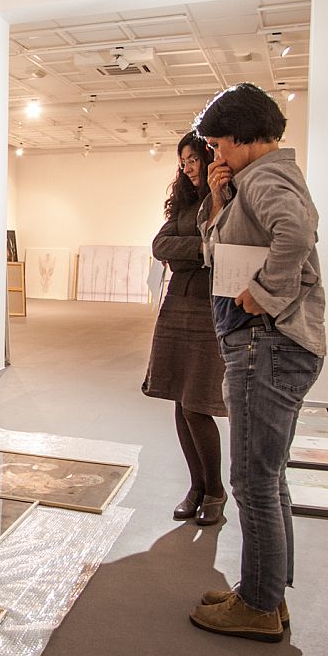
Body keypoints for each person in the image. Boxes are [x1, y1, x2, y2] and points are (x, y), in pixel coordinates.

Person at [188, 83, 325, 643]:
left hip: (266, 344)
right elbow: (219, 247)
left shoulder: (266, 178)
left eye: (219, 143)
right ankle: (266, 592)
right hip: (267, 345)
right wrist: (220, 199)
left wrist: (263, 294)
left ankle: (259, 606)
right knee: (268, 477)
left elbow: (296, 232)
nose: (216, 154)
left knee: (253, 480)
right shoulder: (253, 181)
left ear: (243, 138)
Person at [142, 133, 227, 526]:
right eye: (184, 162)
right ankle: (196, 487)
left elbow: (223, 247)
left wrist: (193, 250)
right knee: (179, 401)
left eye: (193, 159)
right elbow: (160, 245)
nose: (189, 167)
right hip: (177, 304)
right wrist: (198, 250)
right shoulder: (183, 203)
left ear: (209, 157)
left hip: (209, 309)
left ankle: (215, 491)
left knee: (197, 405)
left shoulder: (224, 198)